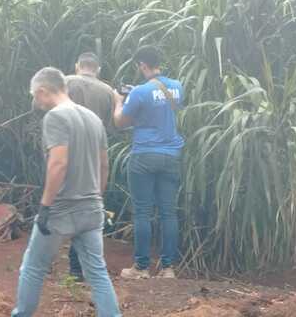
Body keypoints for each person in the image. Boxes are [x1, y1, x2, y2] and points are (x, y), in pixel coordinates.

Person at [12, 67, 121, 317]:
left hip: (61, 208)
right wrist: (97, 199)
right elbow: (104, 165)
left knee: (33, 267)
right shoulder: (93, 119)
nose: (36, 101)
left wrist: (45, 206)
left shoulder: (55, 117)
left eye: (35, 96)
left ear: (42, 91)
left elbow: (58, 163)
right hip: (91, 209)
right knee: (97, 272)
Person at [112, 46, 184, 279]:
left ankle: (141, 268)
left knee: (142, 211)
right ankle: (168, 268)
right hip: (171, 155)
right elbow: (163, 109)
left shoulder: (140, 92)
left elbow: (120, 122)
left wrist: (118, 102)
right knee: (168, 213)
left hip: (144, 155)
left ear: (142, 65)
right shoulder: (177, 86)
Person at [65, 52, 115, 282]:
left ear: (78, 66)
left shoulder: (64, 82)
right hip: (94, 156)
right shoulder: (108, 91)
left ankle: (44, 260)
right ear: (98, 69)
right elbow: (111, 125)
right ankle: (78, 266)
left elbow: (40, 105)